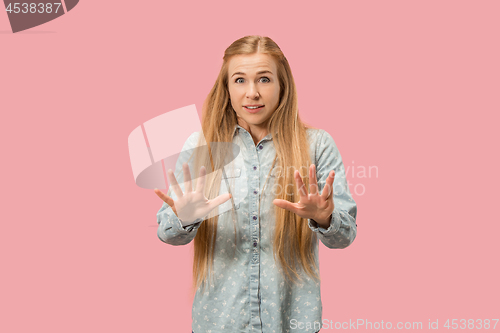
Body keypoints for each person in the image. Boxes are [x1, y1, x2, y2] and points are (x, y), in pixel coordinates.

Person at [154, 35, 357, 333]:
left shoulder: (317, 145)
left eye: (264, 79)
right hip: (219, 324)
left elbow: (344, 237)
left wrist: (324, 218)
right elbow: (167, 234)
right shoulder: (201, 146)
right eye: (239, 80)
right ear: (226, 88)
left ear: (282, 85)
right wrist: (185, 217)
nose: (252, 93)